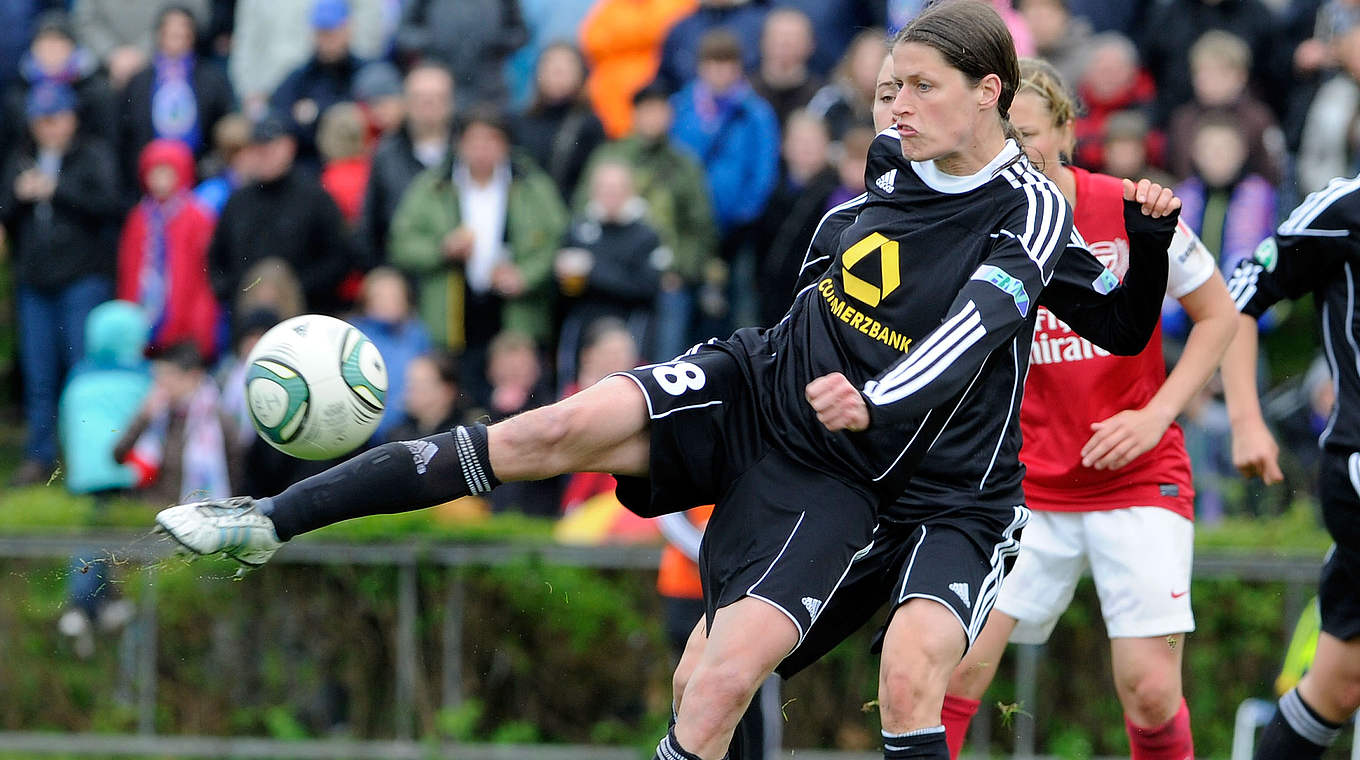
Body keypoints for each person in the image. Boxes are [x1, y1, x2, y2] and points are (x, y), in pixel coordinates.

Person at [154, 5, 1177, 760]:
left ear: (991, 93)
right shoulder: (887, 159)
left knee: (727, 679)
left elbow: (984, 327)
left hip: (869, 465)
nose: (895, 106)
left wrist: (885, 393)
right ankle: (270, 518)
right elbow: (848, 278)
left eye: (920, 88)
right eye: (888, 88)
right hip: (762, 385)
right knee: (543, 433)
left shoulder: (1030, 211)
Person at [937, 58, 1238, 760]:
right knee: (955, 667)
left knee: (1151, 690)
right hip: (1028, 487)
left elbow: (1218, 316)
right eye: (1004, 134)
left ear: (1069, 130)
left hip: (1137, 479)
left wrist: (1157, 415)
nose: (1018, 148)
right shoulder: (986, 220)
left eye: (1032, 132)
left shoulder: (1123, 206)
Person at [1221, 174, 1360, 760]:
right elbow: (1234, 298)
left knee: (1337, 681)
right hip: (1358, 468)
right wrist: (1247, 420)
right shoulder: (1344, 207)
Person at [0, 82, 122, 488]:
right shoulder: (20, 158)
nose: (48, 129)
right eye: (41, 121)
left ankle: (81, 455)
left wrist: (59, 190)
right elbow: (7, 214)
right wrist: (17, 197)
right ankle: (39, 457)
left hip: (81, 278)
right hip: (35, 282)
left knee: (80, 369)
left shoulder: (93, 155)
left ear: (72, 118)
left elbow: (109, 205)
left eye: (55, 119)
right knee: (38, 374)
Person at [388, 107, 568, 356]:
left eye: (491, 140)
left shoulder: (532, 187)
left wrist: (525, 275)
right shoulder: (433, 187)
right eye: (474, 141)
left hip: (515, 316)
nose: (482, 150)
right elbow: (401, 243)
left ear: (506, 145)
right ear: (459, 144)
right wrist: (443, 249)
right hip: (453, 315)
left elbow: (557, 240)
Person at [577, 82, 718, 360]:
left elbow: (701, 228)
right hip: (608, 271)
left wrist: (679, 270)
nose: (654, 117)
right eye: (647, 110)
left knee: (666, 351)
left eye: (660, 110)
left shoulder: (684, 165)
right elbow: (584, 212)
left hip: (664, 276)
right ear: (635, 113)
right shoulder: (610, 156)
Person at [207, 114, 356, 315]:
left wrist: (293, 290)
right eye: (258, 149)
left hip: (306, 315)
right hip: (248, 320)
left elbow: (339, 258)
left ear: (289, 147)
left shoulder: (314, 197)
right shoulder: (238, 201)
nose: (264, 155)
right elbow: (217, 261)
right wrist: (243, 293)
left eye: (271, 148)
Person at [554, 159, 664, 380]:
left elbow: (647, 288)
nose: (610, 196)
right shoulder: (579, 229)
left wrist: (593, 271)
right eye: (604, 189)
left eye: (616, 190)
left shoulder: (645, 234)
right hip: (583, 326)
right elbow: (563, 292)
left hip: (629, 325)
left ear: (630, 192)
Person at [117, 138, 221, 360]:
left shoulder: (198, 217)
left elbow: (203, 276)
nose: (160, 181)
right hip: (144, 322)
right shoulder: (139, 217)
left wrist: (200, 323)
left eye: (167, 172)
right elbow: (129, 271)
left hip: (184, 322)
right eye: (153, 172)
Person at [117, 4, 234, 195]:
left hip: (199, 181)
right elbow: (125, 136)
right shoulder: (139, 81)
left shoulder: (212, 80)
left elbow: (224, 127)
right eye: (170, 31)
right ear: (159, 35)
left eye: (183, 30)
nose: (176, 36)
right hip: (145, 184)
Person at [355, 62, 455, 269]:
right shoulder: (385, 154)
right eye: (420, 98)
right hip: (401, 271)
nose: (429, 105)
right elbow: (371, 225)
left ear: (451, 102)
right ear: (406, 102)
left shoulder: (467, 151)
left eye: (437, 97)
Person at [115, 341, 232, 506]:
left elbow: (234, 471)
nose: (162, 383)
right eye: (158, 376)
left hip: (201, 514)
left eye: (169, 375)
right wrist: (143, 417)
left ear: (193, 376)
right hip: (156, 513)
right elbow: (118, 455)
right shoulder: (156, 415)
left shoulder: (216, 418)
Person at [1165, 30, 1285, 188]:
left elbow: (1274, 172)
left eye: (1219, 72)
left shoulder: (1259, 119)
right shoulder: (1182, 120)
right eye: (1202, 72)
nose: (1208, 80)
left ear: (1241, 76)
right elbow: (1176, 173)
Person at [267, 0, 366, 169]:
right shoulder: (300, 76)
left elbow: (362, 114)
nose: (326, 39)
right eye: (321, 32)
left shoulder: (364, 71)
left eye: (332, 31)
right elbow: (278, 112)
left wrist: (317, 112)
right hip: (307, 164)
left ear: (348, 29)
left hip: (355, 163)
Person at [578, 0, 696, 139]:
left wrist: (624, 34)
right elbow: (592, 41)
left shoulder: (677, 5)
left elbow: (671, 30)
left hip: (658, 100)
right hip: (610, 106)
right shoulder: (609, 8)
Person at [513, 42, 607, 203]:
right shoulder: (520, 123)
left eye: (566, 67)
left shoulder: (591, 125)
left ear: (581, 74)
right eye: (550, 65)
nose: (557, 72)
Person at [349, 267, 432, 441]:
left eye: (395, 296)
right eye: (381, 297)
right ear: (367, 301)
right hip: (361, 434)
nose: (389, 303)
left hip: (409, 431)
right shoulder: (353, 335)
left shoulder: (417, 334)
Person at [394, 0, 525, 109]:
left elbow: (519, 32)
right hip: (441, 84)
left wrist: (494, 41)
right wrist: (434, 41)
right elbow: (404, 33)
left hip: (488, 86)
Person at [751, 8, 824, 128]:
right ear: (762, 42)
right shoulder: (745, 92)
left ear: (811, 44)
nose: (785, 44)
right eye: (778, 38)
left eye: (793, 38)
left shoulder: (822, 97)